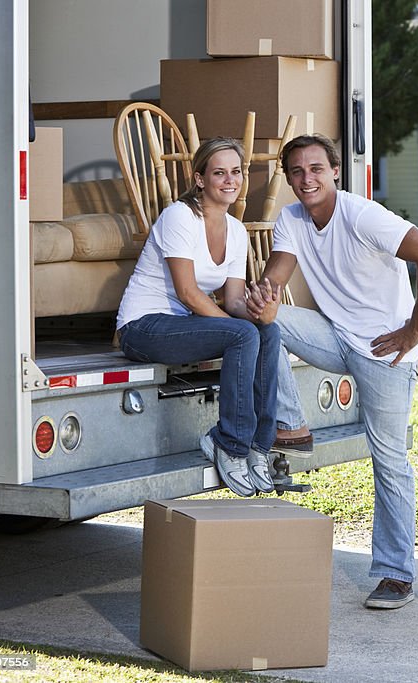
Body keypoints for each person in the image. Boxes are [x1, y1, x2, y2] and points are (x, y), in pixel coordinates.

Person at [248, 133, 418, 609]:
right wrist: (261, 295)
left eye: (316, 169)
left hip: (385, 351)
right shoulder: (292, 219)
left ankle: (396, 575)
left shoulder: (362, 215)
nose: (306, 179)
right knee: (261, 322)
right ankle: (291, 424)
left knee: (389, 460)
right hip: (335, 336)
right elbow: (277, 274)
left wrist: (414, 329)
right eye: (296, 171)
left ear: (335, 171)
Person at [116, 137, 283, 498]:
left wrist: (257, 312)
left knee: (267, 331)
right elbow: (188, 293)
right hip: (143, 327)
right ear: (200, 179)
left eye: (236, 172)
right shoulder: (180, 216)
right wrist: (237, 328)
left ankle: (258, 445)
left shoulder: (236, 231)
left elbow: (234, 300)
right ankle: (230, 444)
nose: (230, 180)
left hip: (182, 327)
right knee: (244, 334)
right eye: (219, 172)